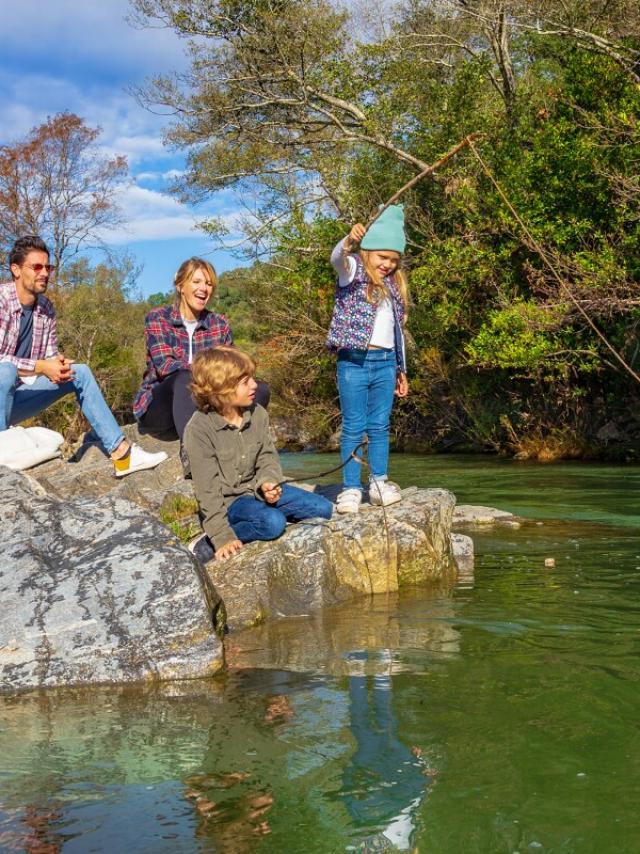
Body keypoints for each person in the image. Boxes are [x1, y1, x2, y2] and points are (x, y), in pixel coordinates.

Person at [0, 235, 166, 476]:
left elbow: (49, 357)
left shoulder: (46, 308)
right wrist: (40, 366)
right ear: (16, 270)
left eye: (48, 267)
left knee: (80, 372)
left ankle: (122, 454)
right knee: (5, 371)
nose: (44, 273)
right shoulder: (2, 301)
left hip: (14, 399)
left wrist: (59, 364)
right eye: (36, 267)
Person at [184, 346, 333, 563]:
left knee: (324, 509)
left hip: (259, 493)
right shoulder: (198, 430)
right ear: (222, 388)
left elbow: (267, 457)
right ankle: (209, 540)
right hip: (231, 504)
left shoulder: (258, 414)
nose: (255, 385)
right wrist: (221, 536)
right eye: (245, 382)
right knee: (273, 523)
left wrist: (268, 482)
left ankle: (265, 517)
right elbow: (207, 491)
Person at [133, 257, 270, 446]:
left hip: (207, 404)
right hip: (161, 412)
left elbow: (233, 370)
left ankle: (242, 446)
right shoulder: (158, 318)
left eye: (209, 284)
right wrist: (210, 371)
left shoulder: (219, 324)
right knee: (183, 378)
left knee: (259, 388)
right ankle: (192, 456)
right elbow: (165, 366)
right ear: (181, 286)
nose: (204, 288)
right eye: (196, 281)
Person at [327, 205, 410, 514]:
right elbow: (336, 257)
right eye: (382, 257)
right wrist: (349, 241)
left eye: (393, 260)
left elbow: (396, 332)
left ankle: (378, 481)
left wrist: (402, 369)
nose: (387, 265)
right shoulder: (352, 272)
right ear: (367, 252)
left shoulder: (393, 287)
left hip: (386, 362)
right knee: (353, 425)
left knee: (379, 425)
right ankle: (350, 488)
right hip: (353, 361)